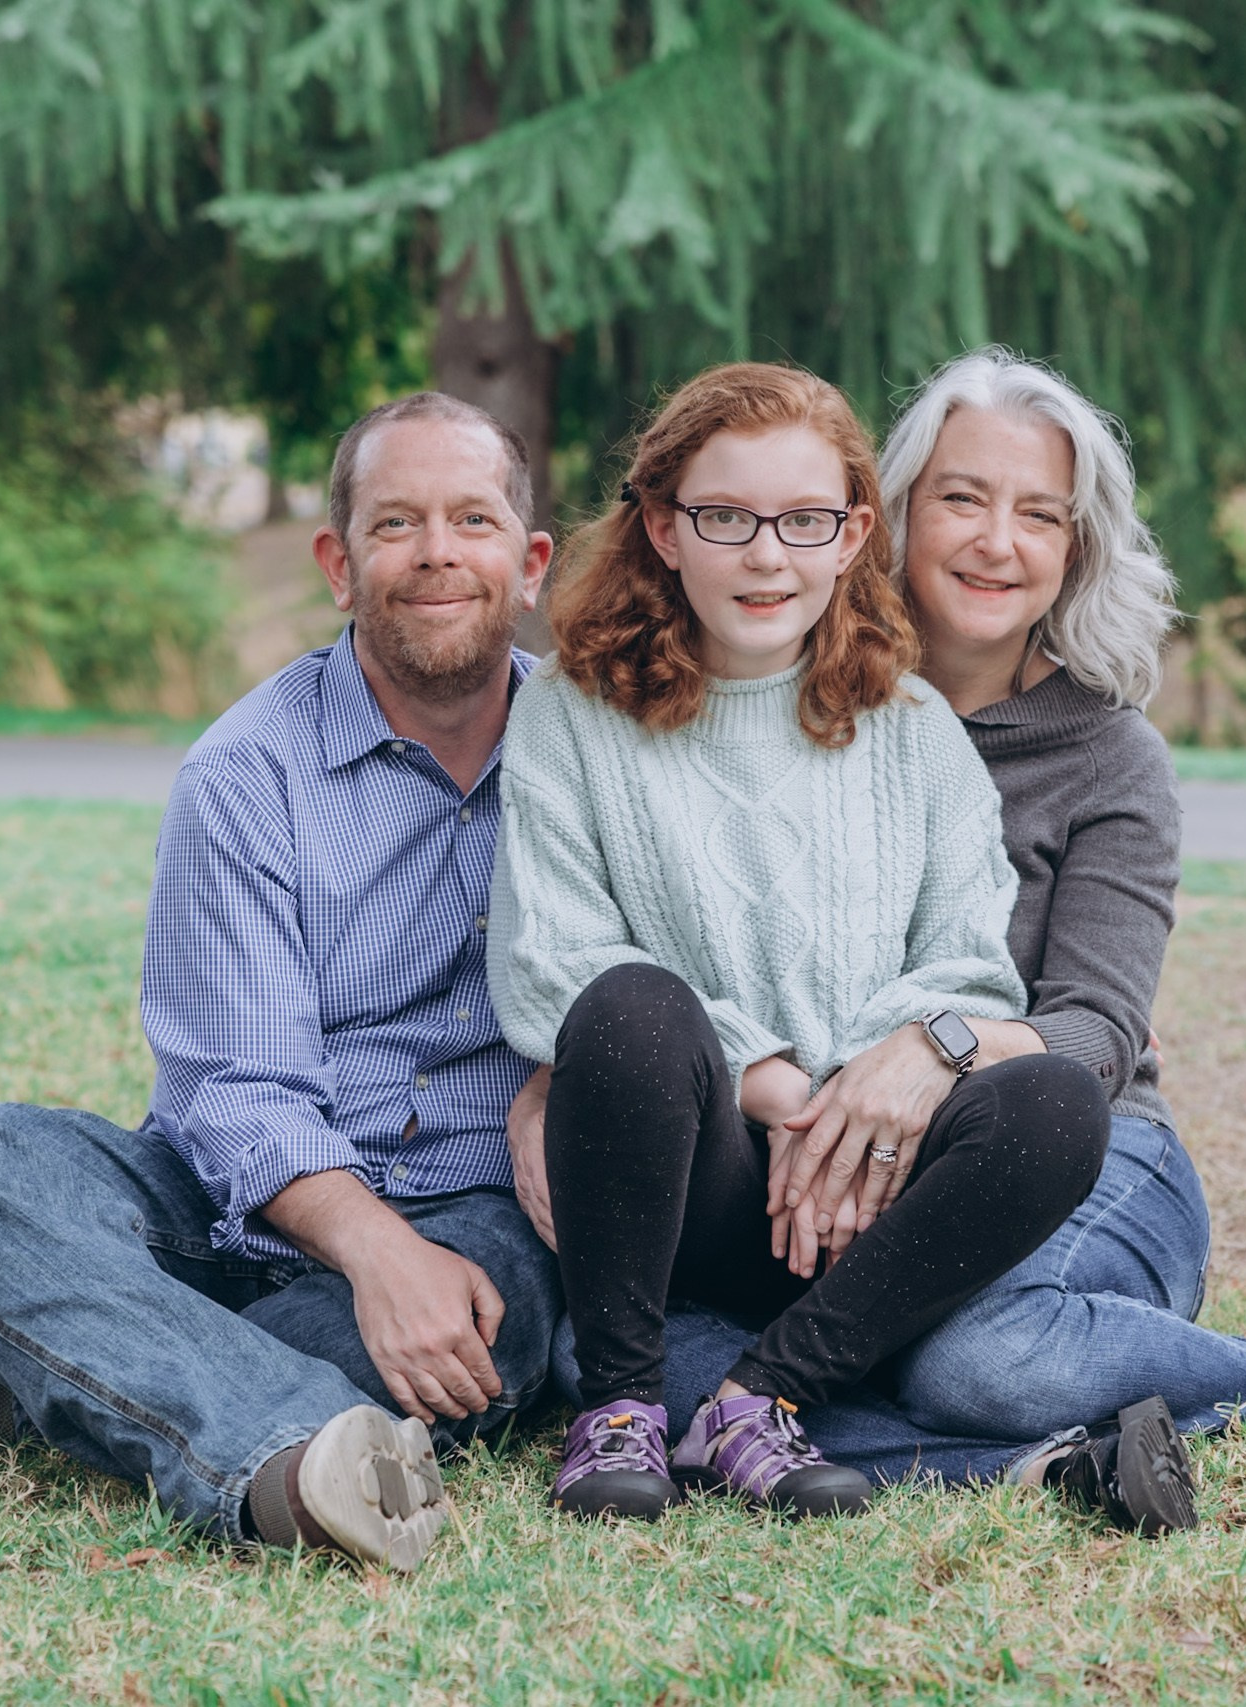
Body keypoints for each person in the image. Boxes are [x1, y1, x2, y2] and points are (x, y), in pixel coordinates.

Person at [586, 347, 1246, 1492]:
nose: (1000, 541)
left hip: (1069, 1151)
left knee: (981, 1358)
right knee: (625, 1354)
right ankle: (1050, 1468)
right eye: (962, 499)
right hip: (817, 1159)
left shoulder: (1109, 758)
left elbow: (1094, 1027)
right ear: (877, 518)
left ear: (1073, 550)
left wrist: (932, 1050)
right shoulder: (759, 700)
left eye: (1040, 514)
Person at [0, 392, 564, 1574]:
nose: (436, 555)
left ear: (528, 564)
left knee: (500, 1314)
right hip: (234, 1201)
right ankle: (282, 1448)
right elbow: (232, 1086)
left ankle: (28, 1395)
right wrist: (373, 1253)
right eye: (395, 525)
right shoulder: (244, 771)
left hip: (472, 1206)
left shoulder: (598, 751)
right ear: (337, 564)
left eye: (472, 520)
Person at [486, 362, 1198, 1532]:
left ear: (846, 529)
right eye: (965, 499)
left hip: (898, 1182)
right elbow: (562, 953)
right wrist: (761, 1085)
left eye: (1037, 513)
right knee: (594, 1318)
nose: (766, 552)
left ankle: (765, 1399)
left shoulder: (925, 732)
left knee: (1048, 1116)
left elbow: (1047, 1005)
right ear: (665, 527)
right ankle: (659, 1411)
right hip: (729, 1168)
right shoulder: (578, 712)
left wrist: (893, 1081)